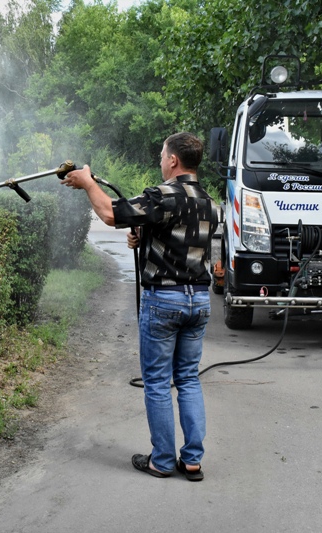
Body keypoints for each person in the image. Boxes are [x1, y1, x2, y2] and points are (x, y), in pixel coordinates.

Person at [62, 132, 222, 481]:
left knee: (158, 382)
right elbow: (180, 239)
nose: (160, 160)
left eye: (163, 154)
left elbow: (109, 214)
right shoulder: (211, 202)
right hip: (198, 301)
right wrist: (141, 236)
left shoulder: (162, 196)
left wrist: (89, 183)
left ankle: (163, 460)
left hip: (164, 301)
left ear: (174, 161)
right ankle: (192, 460)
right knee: (188, 379)